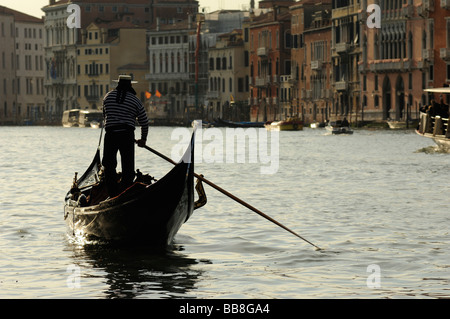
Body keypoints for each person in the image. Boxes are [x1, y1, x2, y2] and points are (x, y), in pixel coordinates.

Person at [102, 74, 149, 197]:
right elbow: (144, 121)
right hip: (126, 136)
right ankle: (124, 193)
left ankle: (113, 194)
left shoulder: (107, 97)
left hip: (110, 134)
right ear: (130, 85)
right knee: (128, 167)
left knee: (109, 166)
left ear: (118, 84)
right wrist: (143, 139)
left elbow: (105, 116)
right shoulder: (135, 100)